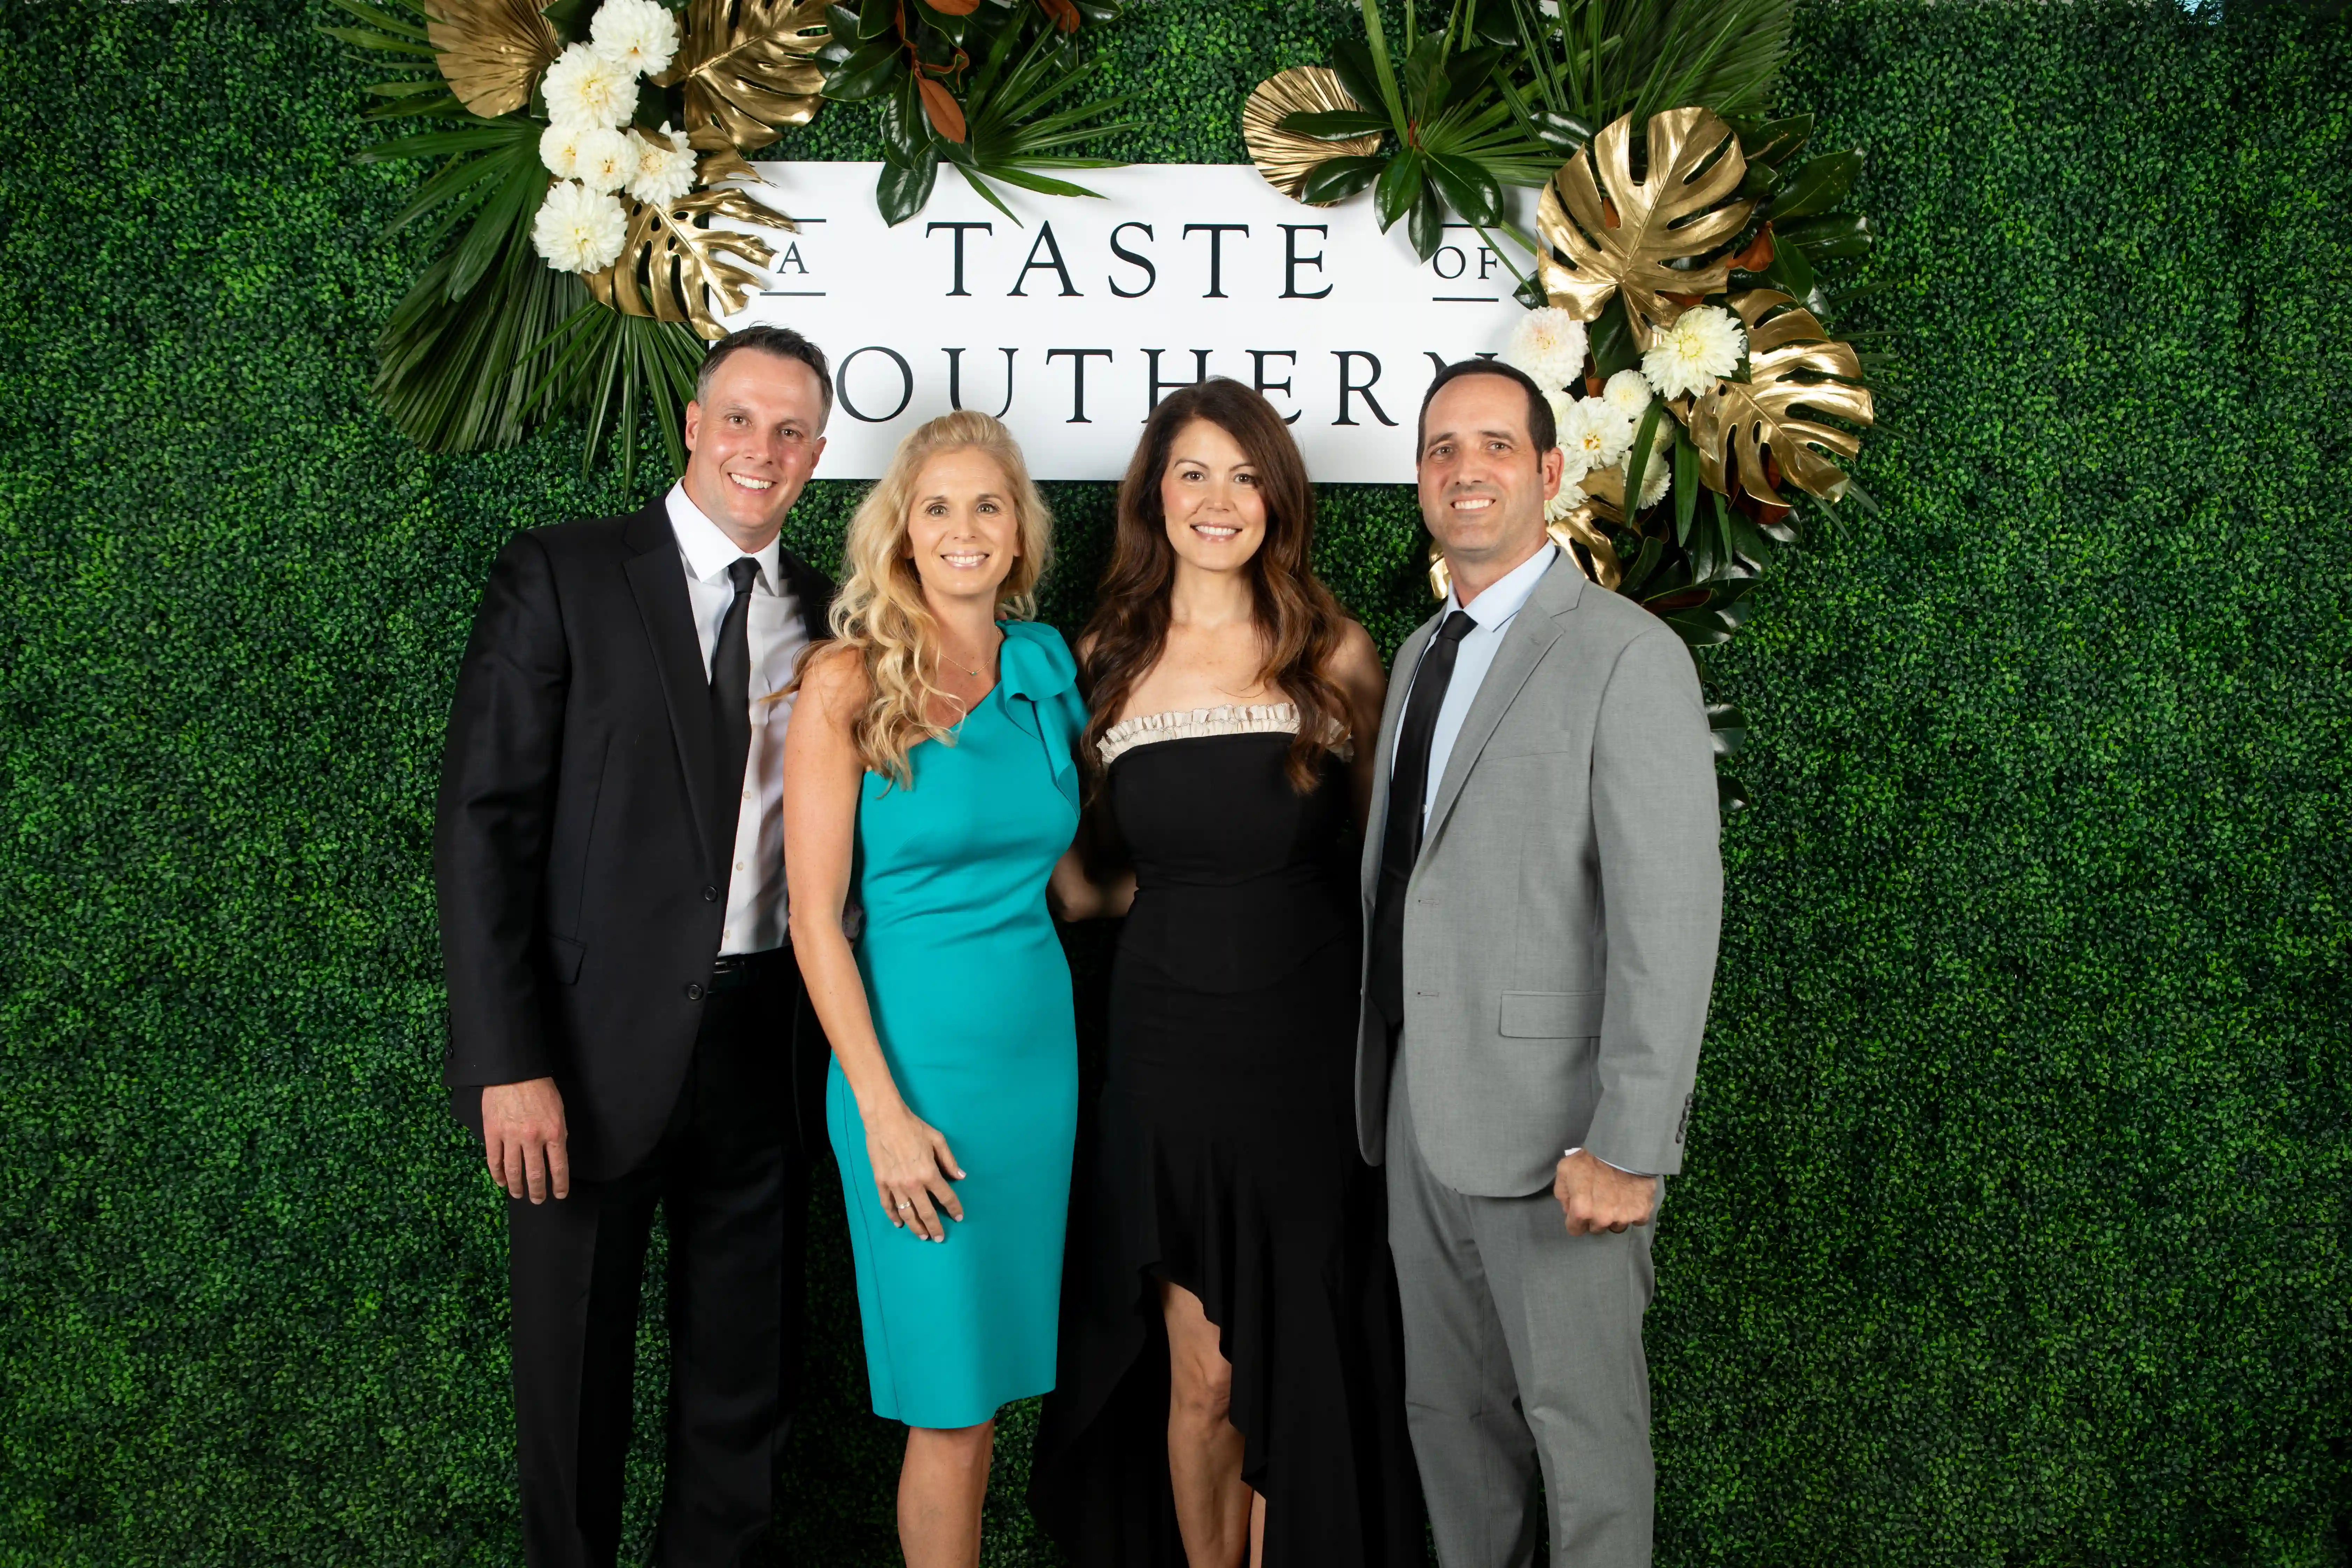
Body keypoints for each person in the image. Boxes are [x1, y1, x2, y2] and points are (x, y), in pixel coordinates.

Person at [433, 324, 839, 1567]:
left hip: (763, 1046)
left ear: (818, 455)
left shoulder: (830, 618)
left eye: (788, 432)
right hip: (583, 1055)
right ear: (692, 426)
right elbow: (482, 827)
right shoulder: (561, 574)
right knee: (573, 1389)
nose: (758, 451)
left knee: (742, 1388)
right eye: (739, 420)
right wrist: (511, 1060)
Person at [1032, 379, 1420, 1568]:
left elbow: (1380, 868)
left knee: (1294, 1359)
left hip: (1307, 1059)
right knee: (1200, 1375)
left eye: (1245, 476)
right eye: (1193, 473)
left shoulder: (1335, 651)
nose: (1219, 500)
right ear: (1154, 492)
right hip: (1163, 1058)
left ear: (1277, 497)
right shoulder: (1099, 658)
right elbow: (1086, 881)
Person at [1358, 357, 1722, 1568]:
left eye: (1495, 447)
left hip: (1562, 1134)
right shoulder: (1420, 657)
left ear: (1551, 472)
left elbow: (1669, 915)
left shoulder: (1623, 655)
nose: (1466, 472)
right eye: (1442, 450)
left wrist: (1630, 1142)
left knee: (1586, 1445)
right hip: (1420, 1116)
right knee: (1451, 1430)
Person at [780, 410, 1088, 1568]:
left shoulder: (1047, 666)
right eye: (939, 507)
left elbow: (1070, 876)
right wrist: (883, 1115)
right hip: (910, 1079)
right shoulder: (846, 680)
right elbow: (814, 923)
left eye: (989, 506)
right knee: (949, 1410)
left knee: (995, 1397)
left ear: (1020, 533)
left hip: (1036, 1072)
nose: (965, 529)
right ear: (902, 532)